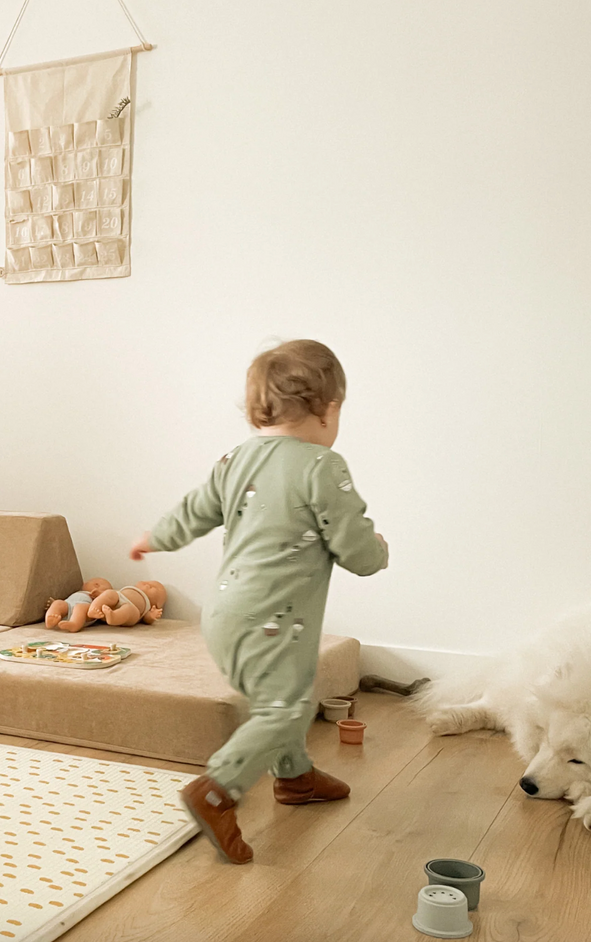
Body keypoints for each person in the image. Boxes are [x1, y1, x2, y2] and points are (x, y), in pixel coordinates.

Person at [130, 339, 388, 863]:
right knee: (286, 706)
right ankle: (217, 790)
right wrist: (377, 552)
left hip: (224, 616)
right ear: (329, 408)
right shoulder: (323, 465)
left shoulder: (235, 460)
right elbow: (354, 546)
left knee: (283, 700)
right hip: (276, 621)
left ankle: (294, 778)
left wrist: (154, 537)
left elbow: (193, 510)